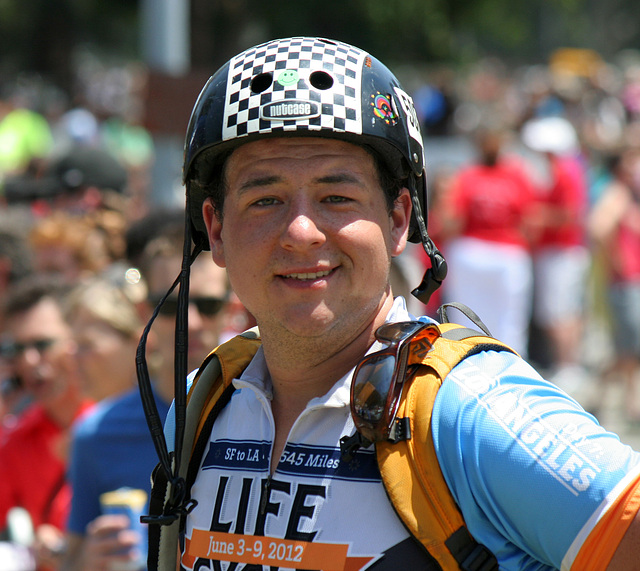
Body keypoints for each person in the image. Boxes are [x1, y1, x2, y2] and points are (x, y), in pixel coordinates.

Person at [141, 37, 640, 570]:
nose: (302, 231)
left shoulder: (470, 409)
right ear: (214, 230)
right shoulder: (203, 402)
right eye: (265, 199)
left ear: (399, 220)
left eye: (337, 197)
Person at [60, 275, 167, 571]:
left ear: (137, 342)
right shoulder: (91, 433)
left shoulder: (206, 406)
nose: (73, 360)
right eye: (71, 347)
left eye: (87, 345)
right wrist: (89, 558)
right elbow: (72, 560)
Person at [0, 275, 93, 570]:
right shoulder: (14, 440)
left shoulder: (118, 422)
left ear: (76, 340)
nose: (28, 361)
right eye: (17, 349)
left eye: (42, 344)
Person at [440, 126, 537, 356]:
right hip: (473, 251)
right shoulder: (468, 175)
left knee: (510, 322)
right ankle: (464, 361)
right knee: (467, 317)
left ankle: (510, 363)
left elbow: (531, 218)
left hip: (507, 252)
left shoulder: (516, 174)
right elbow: (451, 218)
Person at [521, 116, 591, 387]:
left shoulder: (564, 171)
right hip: (559, 250)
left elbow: (571, 214)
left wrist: (538, 217)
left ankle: (568, 365)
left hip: (562, 250)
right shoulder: (564, 169)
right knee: (562, 311)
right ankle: (568, 364)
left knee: (558, 312)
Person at [588, 146, 640, 421]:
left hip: (631, 280)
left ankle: (600, 394)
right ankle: (630, 402)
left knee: (627, 346)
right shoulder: (617, 194)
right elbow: (597, 228)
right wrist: (616, 260)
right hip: (624, 281)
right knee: (629, 344)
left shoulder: (629, 196)